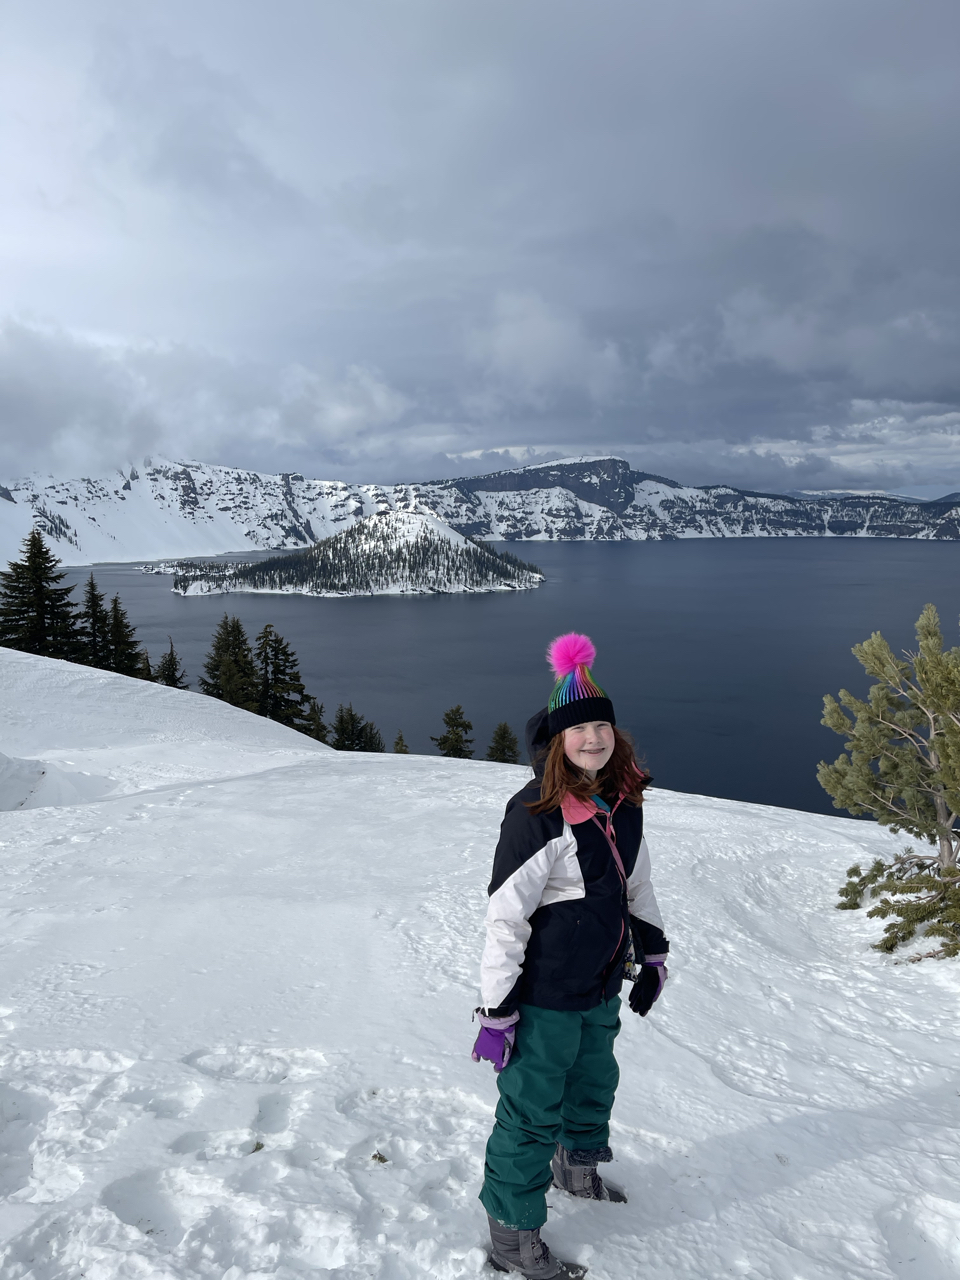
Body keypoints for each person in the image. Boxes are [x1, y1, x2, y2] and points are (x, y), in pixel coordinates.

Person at [472, 633, 670, 1278]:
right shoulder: (536, 814)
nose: (593, 737)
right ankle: (512, 1237)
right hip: (544, 996)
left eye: (602, 725)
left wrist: (655, 954)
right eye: (579, 728)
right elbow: (505, 917)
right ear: (558, 739)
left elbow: (636, 885)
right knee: (530, 1114)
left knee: (592, 1086)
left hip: (599, 987)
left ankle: (576, 1169)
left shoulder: (624, 802)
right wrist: (498, 1010)